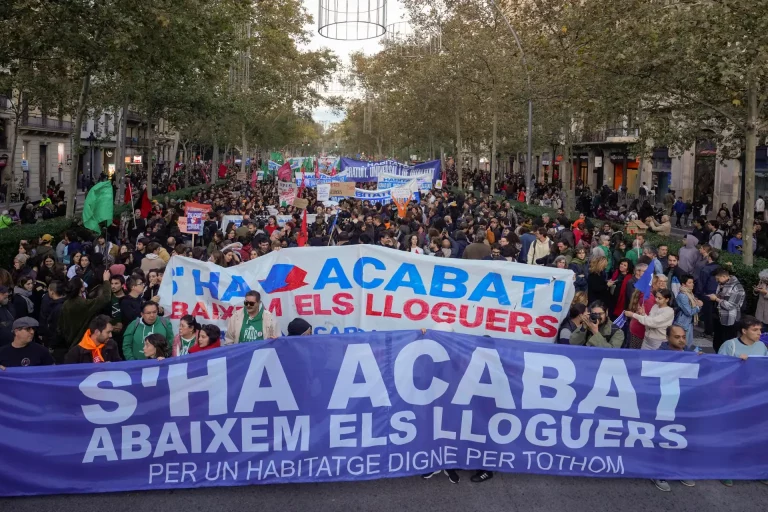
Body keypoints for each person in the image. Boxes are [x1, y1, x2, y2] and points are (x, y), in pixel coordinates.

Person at [58, 271, 112, 348]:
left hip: (69, 342)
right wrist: (106, 280)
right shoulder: (83, 303)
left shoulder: (66, 303)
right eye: (82, 283)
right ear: (80, 287)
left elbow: (60, 326)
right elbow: (105, 298)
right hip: (82, 342)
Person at [708, 267, 745, 353]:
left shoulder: (737, 288)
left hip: (730, 320)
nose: (717, 281)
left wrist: (716, 299)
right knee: (717, 342)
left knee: (727, 343)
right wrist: (716, 296)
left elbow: (730, 305)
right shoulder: (722, 284)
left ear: (725, 276)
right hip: (718, 317)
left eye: (718, 279)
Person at [674, 274, 703, 348]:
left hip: (688, 323)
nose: (692, 284)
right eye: (689, 283)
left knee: (687, 345)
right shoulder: (683, 295)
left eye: (692, 282)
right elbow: (689, 312)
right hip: (683, 323)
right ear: (683, 284)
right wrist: (698, 306)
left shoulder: (689, 293)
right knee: (683, 345)